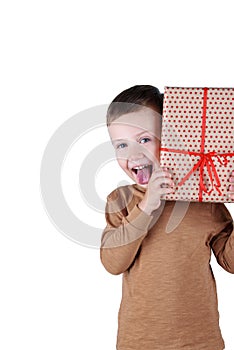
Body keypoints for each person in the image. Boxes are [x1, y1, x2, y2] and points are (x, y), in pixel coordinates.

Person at [100, 85, 234, 350]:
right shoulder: (121, 200)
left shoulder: (204, 201)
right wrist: (146, 207)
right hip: (138, 343)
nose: (133, 154)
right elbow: (112, 263)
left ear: (173, 139)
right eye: (121, 145)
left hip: (201, 342)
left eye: (145, 139)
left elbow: (230, 262)